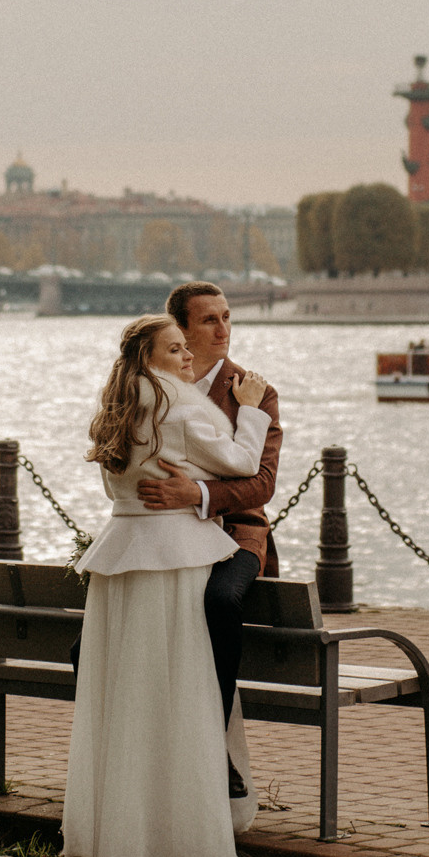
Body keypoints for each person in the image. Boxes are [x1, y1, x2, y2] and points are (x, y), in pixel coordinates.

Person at [63, 313, 274, 857]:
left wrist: (188, 486)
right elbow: (241, 464)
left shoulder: (119, 412)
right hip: (174, 559)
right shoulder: (178, 408)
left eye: (188, 347)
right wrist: (251, 410)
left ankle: (120, 842)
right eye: (175, 347)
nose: (186, 356)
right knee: (176, 695)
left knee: (128, 699)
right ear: (150, 357)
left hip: (124, 560)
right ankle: (178, 843)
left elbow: (124, 490)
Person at [136, 281, 283, 786]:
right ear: (179, 330)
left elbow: (259, 484)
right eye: (208, 321)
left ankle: (213, 752)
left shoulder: (254, 391)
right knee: (86, 643)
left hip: (237, 534)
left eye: (226, 317)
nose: (223, 330)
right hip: (165, 534)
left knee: (219, 603)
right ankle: (136, 752)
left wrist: (195, 494)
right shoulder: (150, 382)